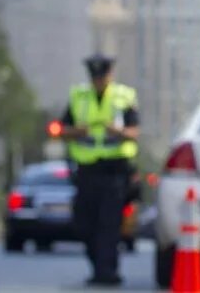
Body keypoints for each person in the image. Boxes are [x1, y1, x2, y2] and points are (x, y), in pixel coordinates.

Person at [60, 54, 140, 287]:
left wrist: (117, 131)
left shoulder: (124, 97)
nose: (98, 80)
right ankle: (98, 266)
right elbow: (62, 129)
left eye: (102, 75)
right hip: (86, 171)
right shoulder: (78, 96)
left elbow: (134, 132)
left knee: (108, 225)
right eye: (95, 76)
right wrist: (78, 132)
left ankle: (107, 272)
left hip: (114, 171)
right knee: (84, 223)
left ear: (110, 75)